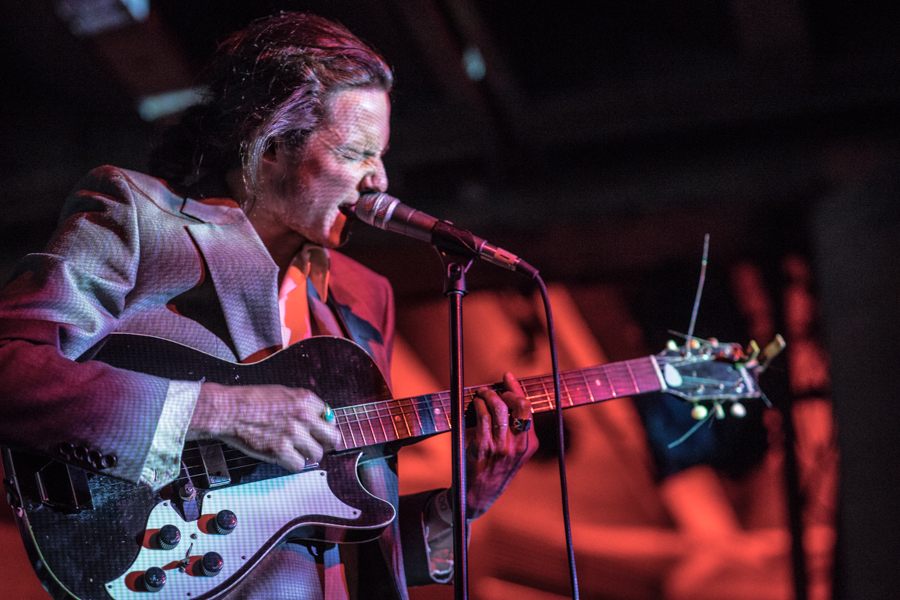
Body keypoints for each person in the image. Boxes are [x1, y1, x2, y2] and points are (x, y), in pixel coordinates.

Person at [0, 12, 537, 600]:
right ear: (271, 145)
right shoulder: (139, 216)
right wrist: (219, 412)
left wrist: (459, 507)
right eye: (358, 152)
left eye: (379, 156)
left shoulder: (362, 298)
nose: (379, 180)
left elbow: (341, 536)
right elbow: (12, 369)